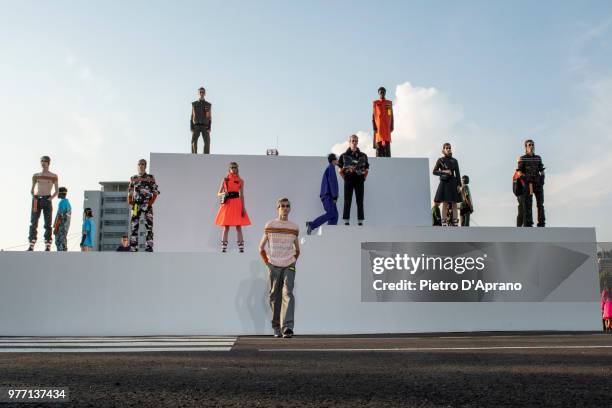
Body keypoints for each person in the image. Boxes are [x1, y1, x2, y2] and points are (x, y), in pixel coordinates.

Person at [258, 198, 300, 338]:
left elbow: (297, 249)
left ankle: (287, 327)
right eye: (282, 206)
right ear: (278, 208)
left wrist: (292, 261)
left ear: (290, 208)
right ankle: (276, 326)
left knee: (288, 293)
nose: (285, 208)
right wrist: (268, 263)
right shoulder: (270, 225)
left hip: (289, 265)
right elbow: (261, 247)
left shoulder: (294, 227)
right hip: (274, 265)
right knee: (274, 296)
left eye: (287, 206)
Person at [214, 162, 251, 253]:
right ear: (229, 169)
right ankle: (223, 247)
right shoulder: (225, 179)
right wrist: (224, 193)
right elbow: (218, 193)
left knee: (239, 226)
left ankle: (241, 248)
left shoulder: (240, 180)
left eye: (235, 167)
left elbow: (242, 195)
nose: (233, 169)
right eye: (232, 167)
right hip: (228, 203)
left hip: (237, 203)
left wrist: (243, 207)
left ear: (237, 168)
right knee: (226, 226)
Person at [28, 155, 59, 251]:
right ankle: (31, 244)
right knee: (33, 222)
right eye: (41, 161)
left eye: (45, 161)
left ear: (48, 163)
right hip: (37, 200)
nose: (43, 163)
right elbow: (32, 189)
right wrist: (34, 196)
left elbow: (57, 191)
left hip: (47, 199)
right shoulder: (36, 175)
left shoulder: (54, 176)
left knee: (48, 223)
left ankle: (48, 244)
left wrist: (50, 199)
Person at [128, 159, 160, 252]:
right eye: (139, 164)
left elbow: (155, 192)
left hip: (147, 204)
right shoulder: (133, 178)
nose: (141, 166)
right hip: (136, 205)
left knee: (149, 227)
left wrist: (150, 203)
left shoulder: (150, 177)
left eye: (143, 164)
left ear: (145, 166)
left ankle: (149, 247)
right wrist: (130, 201)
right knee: (134, 226)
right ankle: (133, 247)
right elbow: (130, 192)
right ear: (137, 166)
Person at [339, 134, 369, 226]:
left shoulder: (363, 155)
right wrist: (346, 178)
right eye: (353, 141)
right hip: (348, 180)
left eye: (356, 141)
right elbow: (340, 170)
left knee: (360, 201)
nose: (355, 143)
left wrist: (363, 178)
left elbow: (367, 169)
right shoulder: (343, 155)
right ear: (349, 142)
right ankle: (346, 221)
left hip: (359, 180)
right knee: (347, 200)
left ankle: (360, 221)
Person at [306, 153, 339, 235]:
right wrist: (335, 196)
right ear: (334, 160)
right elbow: (333, 183)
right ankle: (312, 225)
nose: (338, 161)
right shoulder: (331, 168)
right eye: (336, 159)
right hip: (328, 196)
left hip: (328, 196)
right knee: (332, 213)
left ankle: (330, 233)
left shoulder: (330, 168)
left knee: (335, 215)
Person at [432, 143, 462, 226]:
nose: (449, 149)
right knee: (444, 203)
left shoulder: (455, 161)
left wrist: (459, 185)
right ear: (443, 150)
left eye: (449, 148)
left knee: (454, 203)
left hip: (453, 183)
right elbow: (434, 171)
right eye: (447, 148)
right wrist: (444, 171)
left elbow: (458, 174)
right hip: (444, 183)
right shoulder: (440, 160)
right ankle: (444, 222)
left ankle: (455, 222)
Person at [517, 139, 545, 227]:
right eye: (529, 145)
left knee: (540, 204)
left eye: (532, 144)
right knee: (528, 204)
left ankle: (541, 223)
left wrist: (542, 179)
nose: (531, 146)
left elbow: (542, 170)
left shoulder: (538, 158)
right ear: (526, 147)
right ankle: (529, 223)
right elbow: (519, 172)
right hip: (529, 184)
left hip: (538, 184)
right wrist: (525, 180)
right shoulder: (523, 158)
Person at [372, 86, 394, 157]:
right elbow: (373, 115)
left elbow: (391, 115)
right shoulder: (376, 103)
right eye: (380, 92)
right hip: (379, 129)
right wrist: (374, 126)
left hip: (387, 129)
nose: (382, 93)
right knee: (379, 147)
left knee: (387, 146)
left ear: (385, 93)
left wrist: (392, 125)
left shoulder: (389, 103)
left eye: (383, 92)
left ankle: (388, 161)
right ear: (378, 93)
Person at [191, 87, 212, 154]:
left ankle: (205, 156)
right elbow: (192, 116)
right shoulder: (194, 104)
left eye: (203, 92)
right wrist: (191, 126)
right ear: (198, 93)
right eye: (200, 92)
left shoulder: (208, 105)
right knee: (194, 140)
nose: (201, 93)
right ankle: (194, 155)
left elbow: (209, 117)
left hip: (205, 125)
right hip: (196, 125)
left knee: (207, 141)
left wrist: (209, 127)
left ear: (205, 93)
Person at [53, 187, 71, 251]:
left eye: (58, 193)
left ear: (61, 193)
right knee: (63, 241)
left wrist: (56, 227)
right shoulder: (68, 203)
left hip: (61, 226)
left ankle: (60, 256)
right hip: (65, 226)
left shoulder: (62, 203)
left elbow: (60, 216)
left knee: (58, 242)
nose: (57, 194)